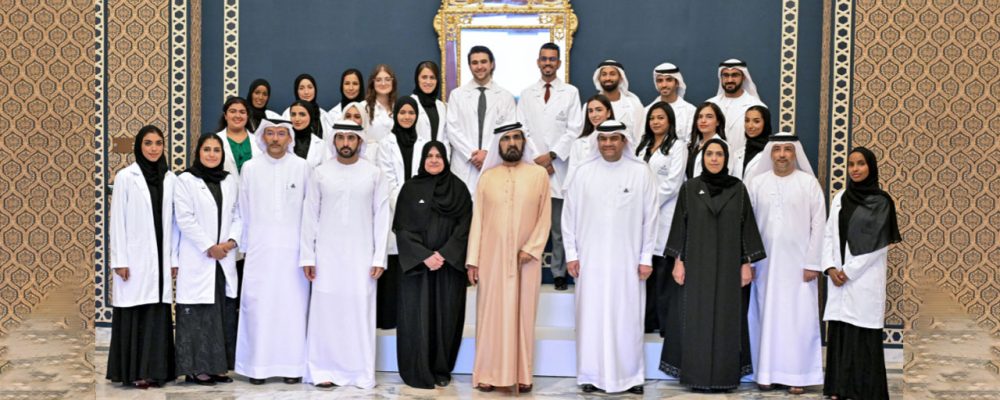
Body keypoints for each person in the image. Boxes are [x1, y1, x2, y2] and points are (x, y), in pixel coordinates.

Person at [660, 139, 766, 392]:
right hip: (696, 266)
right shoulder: (690, 188)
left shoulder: (738, 189)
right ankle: (695, 376)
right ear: (703, 158)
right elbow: (680, 226)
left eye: (719, 154)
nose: (715, 159)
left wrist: (746, 263)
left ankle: (724, 377)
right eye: (710, 154)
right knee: (695, 318)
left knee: (726, 320)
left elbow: (745, 227)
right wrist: (678, 261)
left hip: (729, 267)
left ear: (726, 158)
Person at [562, 120, 656, 395]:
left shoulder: (641, 173)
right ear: (597, 142)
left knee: (627, 317)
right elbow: (568, 219)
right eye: (603, 139)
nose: (608, 144)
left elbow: (650, 219)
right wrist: (572, 255)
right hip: (590, 262)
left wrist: (646, 257)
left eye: (614, 139)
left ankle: (631, 376)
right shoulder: (582, 173)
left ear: (624, 141)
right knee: (590, 318)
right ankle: (590, 374)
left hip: (628, 263)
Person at [300, 121, 391, 389]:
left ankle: (359, 373)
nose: (346, 143)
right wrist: (308, 257)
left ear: (360, 141)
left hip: (361, 258)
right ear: (334, 141)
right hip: (326, 257)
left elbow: (382, 217)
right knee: (326, 313)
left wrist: (378, 258)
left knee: (358, 313)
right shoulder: (320, 173)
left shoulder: (374, 174)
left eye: (351, 137)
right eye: (340, 137)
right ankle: (322, 370)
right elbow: (309, 216)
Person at [466, 122, 551, 393]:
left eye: (516, 138)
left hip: (527, 259)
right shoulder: (487, 177)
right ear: (497, 145)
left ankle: (523, 374)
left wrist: (533, 247)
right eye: (505, 139)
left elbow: (545, 216)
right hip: (491, 259)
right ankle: (488, 373)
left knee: (524, 316)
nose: (511, 143)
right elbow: (477, 220)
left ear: (523, 142)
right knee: (490, 314)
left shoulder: (538, 175)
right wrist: (473, 259)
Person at [743, 133, 825, 395]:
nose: (781, 154)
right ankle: (765, 373)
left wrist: (813, 262)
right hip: (764, 266)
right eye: (777, 149)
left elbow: (819, 225)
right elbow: (747, 226)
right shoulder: (756, 183)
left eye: (787, 149)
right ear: (770, 152)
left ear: (795, 153)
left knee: (798, 319)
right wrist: (749, 260)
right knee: (765, 316)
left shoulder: (809, 183)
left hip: (800, 267)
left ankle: (798, 375)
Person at [234, 119, 310, 385]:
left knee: (292, 308)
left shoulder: (302, 167)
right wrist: (245, 247)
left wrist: (309, 251)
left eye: (281, 133)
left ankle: (292, 367)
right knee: (259, 307)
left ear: (289, 138)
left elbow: (309, 211)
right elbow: (243, 209)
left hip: (293, 252)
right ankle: (257, 367)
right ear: (263, 137)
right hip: (260, 250)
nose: (276, 138)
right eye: (271, 133)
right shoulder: (250, 168)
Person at [821, 147, 900, 400]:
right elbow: (829, 234)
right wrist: (830, 267)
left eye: (861, 164)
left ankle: (864, 391)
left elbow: (878, 243)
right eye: (851, 164)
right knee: (841, 331)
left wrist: (848, 271)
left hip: (864, 278)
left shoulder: (882, 201)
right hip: (838, 277)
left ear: (871, 167)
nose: (855, 169)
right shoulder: (840, 197)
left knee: (861, 332)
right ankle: (837, 388)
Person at [394, 141, 473, 389]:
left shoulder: (458, 189)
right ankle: (417, 368)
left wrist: (446, 254)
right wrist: (424, 256)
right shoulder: (409, 188)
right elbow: (402, 229)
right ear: (422, 159)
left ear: (446, 159)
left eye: (439, 156)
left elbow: (465, 226)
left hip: (448, 267)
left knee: (446, 317)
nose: (434, 160)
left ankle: (441, 369)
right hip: (418, 268)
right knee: (417, 317)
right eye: (429, 156)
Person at [107, 125, 177, 389]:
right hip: (134, 258)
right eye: (148, 143)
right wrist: (120, 260)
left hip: (160, 257)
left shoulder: (170, 178)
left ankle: (157, 371)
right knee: (136, 312)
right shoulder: (126, 176)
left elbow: (174, 224)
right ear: (139, 146)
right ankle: (135, 371)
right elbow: (118, 221)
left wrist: (173, 259)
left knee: (157, 312)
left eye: (159, 143)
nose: (154, 148)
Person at [173, 134, 242, 386]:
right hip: (199, 257)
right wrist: (209, 247)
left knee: (221, 312)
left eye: (216, 150)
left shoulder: (229, 181)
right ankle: (196, 369)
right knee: (198, 314)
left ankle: (217, 367)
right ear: (198, 152)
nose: (212, 154)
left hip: (223, 257)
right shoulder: (186, 180)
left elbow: (238, 214)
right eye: (207, 149)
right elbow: (185, 218)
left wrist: (231, 242)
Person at [516, 42, 583, 291]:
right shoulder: (526, 93)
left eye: (552, 59)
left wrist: (553, 156)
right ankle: (522, 269)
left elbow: (575, 129)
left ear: (559, 63)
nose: (547, 63)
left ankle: (558, 272)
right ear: (538, 62)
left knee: (558, 227)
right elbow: (522, 129)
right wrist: (538, 159)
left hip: (559, 168)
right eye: (544, 59)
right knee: (527, 224)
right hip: (533, 167)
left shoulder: (570, 93)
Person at [635, 102, 687, 334]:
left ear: (670, 122)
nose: (656, 122)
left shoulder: (678, 146)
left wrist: (648, 202)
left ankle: (666, 325)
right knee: (647, 271)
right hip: (640, 215)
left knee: (664, 271)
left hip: (665, 213)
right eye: (652, 118)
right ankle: (647, 322)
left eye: (661, 118)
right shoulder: (641, 146)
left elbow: (674, 183)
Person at [375, 96, 425, 329]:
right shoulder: (386, 143)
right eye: (402, 112)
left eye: (411, 113)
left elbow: (425, 178)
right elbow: (388, 179)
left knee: (415, 263)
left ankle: (412, 319)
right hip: (394, 209)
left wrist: (418, 206)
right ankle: (389, 319)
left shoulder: (425, 143)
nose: (406, 116)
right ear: (395, 116)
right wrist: (406, 207)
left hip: (420, 210)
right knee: (394, 263)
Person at [445, 45, 517, 195]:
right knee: (464, 213)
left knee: (492, 213)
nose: (479, 66)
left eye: (483, 62)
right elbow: (452, 130)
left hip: (494, 164)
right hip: (464, 166)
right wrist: (473, 155)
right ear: (470, 66)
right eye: (475, 63)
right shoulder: (457, 95)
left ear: (492, 64)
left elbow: (508, 132)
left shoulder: (506, 97)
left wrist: (487, 154)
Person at [705, 59, 766, 162]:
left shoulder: (757, 106)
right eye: (726, 75)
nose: (729, 80)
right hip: (713, 163)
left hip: (744, 162)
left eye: (734, 75)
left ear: (743, 77)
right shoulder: (710, 105)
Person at [592, 59, 645, 142]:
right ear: (599, 78)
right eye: (604, 74)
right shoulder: (590, 106)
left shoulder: (634, 105)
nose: (608, 78)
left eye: (612, 74)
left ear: (621, 78)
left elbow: (640, 137)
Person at [646, 63, 696, 145]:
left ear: (677, 82)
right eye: (660, 81)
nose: (664, 85)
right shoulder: (646, 111)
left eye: (669, 80)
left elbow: (691, 142)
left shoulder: (690, 111)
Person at [567, 94, 615, 173]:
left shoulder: (619, 140)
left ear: (608, 113)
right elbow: (572, 175)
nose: (594, 115)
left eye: (599, 110)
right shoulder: (578, 144)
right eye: (590, 111)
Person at [215, 97, 262, 177]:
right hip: (225, 188)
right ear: (225, 115)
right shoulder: (216, 140)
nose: (237, 115)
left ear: (247, 116)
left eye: (242, 112)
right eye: (232, 111)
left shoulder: (259, 141)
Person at [360, 64, 398, 162]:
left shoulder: (399, 108)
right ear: (373, 83)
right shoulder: (363, 108)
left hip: (395, 160)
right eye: (378, 80)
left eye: (387, 79)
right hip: (370, 161)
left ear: (393, 82)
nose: (383, 83)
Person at [685, 102, 729, 179]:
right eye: (700, 117)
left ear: (718, 122)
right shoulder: (694, 146)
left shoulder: (723, 146)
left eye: (709, 117)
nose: (703, 120)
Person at [410, 61, 449, 146]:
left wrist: (444, 156)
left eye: (432, 77)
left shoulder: (442, 106)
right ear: (417, 79)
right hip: (417, 157)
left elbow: (445, 137)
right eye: (424, 77)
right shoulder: (409, 104)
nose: (428, 81)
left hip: (439, 158)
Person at [732, 105, 772, 180]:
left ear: (765, 123)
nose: (750, 126)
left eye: (756, 121)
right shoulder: (738, 153)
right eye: (747, 120)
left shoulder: (772, 152)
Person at [287, 100, 328, 167]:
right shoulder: (283, 141)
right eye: (293, 114)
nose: (297, 119)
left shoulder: (321, 145)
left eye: (302, 114)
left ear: (310, 117)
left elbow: (325, 171)